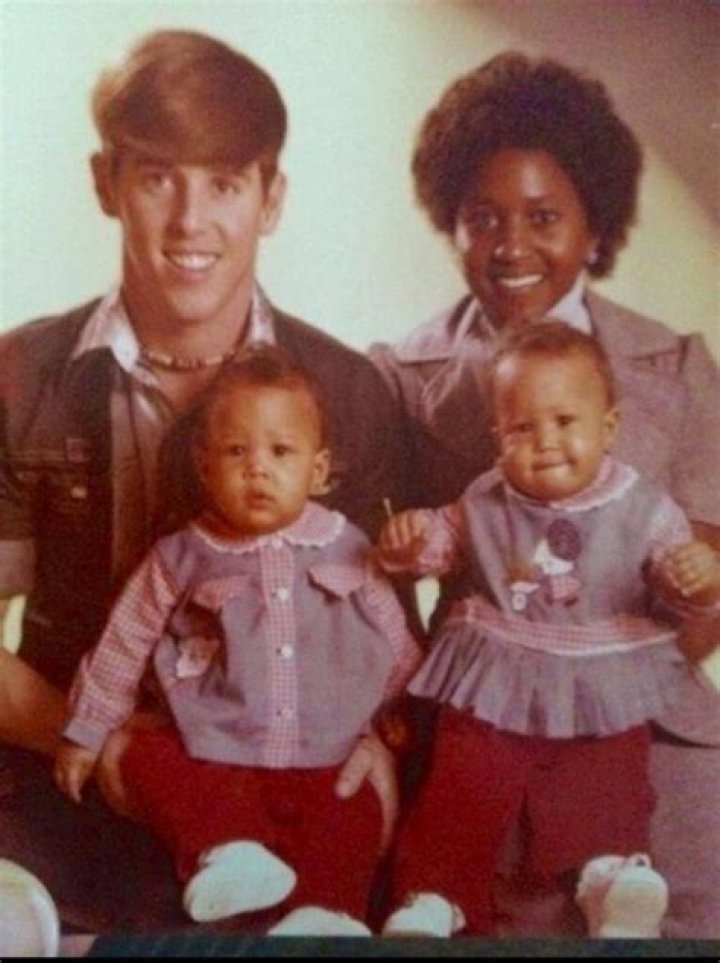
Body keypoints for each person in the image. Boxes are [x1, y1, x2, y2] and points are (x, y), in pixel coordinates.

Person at [0, 28, 405, 934]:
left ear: (272, 198)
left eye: (224, 183)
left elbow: (390, 627)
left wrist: (381, 735)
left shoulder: (348, 392)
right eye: (157, 177)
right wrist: (97, 736)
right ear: (105, 183)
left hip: (294, 792)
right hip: (63, 795)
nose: (190, 221)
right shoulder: (18, 377)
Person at [368, 51, 720, 936]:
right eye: (482, 217)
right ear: (450, 223)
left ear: (595, 227)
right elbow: (380, 579)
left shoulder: (675, 363)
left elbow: (709, 571)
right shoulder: (399, 375)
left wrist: (597, 691)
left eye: (544, 216)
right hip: (475, 734)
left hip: (647, 732)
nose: (511, 245)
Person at [53, 347, 421, 936]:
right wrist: (87, 731)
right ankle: (229, 852)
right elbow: (125, 641)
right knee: (145, 757)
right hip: (213, 751)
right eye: (235, 452)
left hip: (325, 752)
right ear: (204, 467)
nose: (257, 469)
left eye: (281, 452)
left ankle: (326, 911)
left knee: (353, 812)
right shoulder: (181, 555)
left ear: (318, 470)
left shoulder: (349, 545)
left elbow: (390, 635)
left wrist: (404, 710)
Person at [374, 323, 720, 938]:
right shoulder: (486, 497)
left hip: (600, 669)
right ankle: (436, 893)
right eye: (522, 428)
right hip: (497, 667)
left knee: (608, 768)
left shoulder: (641, 506)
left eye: (565, 421)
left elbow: (675, 582)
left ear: (608, 428)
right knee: (463, 776)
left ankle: (609, 876)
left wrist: (694, 577)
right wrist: (410, 543)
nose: (546, 442)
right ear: (497, 436)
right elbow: (442, 541)